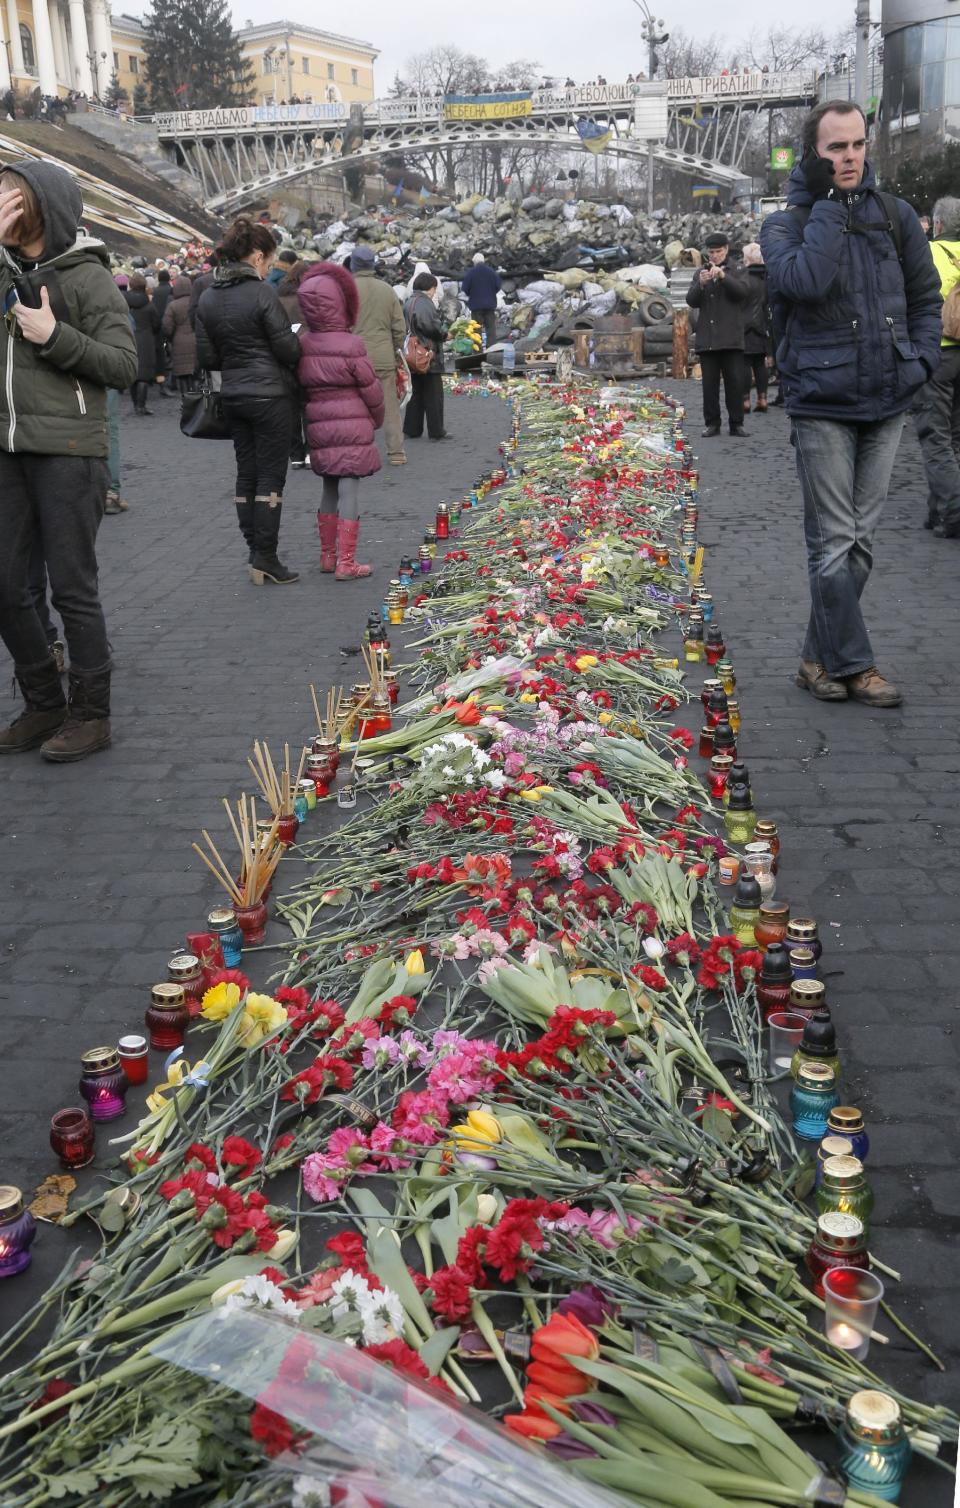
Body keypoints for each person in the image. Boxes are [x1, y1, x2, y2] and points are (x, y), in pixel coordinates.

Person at [761, 100, 941, 709]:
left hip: (888, 395)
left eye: (857, 145)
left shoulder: (897, 216)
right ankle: (856, 666)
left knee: (859, 542)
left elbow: (925, 295)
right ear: (813, 153)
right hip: (821, 400)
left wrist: (920, 360)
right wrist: (829, 208)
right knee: (835, 541)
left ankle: (816, 659)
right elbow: (806, 282)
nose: (850, 157)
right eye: (836, 148)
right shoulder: (786, 224)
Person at [0, 158, 137, 760]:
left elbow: (124, 365)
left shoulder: (86, 277)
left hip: (69, 452)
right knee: (6, 584)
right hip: (6, 448)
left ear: (41, 205)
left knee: (71, 589)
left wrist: (54, 337)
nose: (0, 198)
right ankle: (43, 703)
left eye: (9, 191)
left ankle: (92, 714)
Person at [195, 218, 302, 586]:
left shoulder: (208, 296)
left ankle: (253, 550)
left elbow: (207, 358)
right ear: (257, 256)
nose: (270, 267)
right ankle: (266, 557)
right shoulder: (261, 294)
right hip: (270, 396)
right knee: (272, 475)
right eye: (269, 260)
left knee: (247, 472)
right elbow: (287, 348)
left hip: (234, 396)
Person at [297, 261, 384, 580]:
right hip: (353, 423)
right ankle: (347, 562)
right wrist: (376, 419)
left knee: (328, 485)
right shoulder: (352, 345)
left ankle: (327, 556)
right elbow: (371, 389)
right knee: (349, 486)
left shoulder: (304, 344)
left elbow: (300, 387)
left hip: (319, 424)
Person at [912, 195, 960, 537]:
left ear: (938, 225)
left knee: (935, 437)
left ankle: (954, 512)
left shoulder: (927, 255)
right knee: (955, 438)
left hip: (938, 355)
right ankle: (937, 509)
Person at [686, 231, 748, 437]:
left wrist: (723, 277)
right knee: (709, 386)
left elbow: (742, 293)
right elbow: (691, 301)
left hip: (731, 338)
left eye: (718, 252)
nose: (714, 256)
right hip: (708, 339)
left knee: (734, 384)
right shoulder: (700, 272)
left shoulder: (737, 269)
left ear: (726, 250)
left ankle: (736, 423)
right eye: (711, 252)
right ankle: (712, 423)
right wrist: (701, 285)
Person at [350, 243, 406, 466]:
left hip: (354, 358)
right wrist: (394, 349)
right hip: (383, 356)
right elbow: (399, 327)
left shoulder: (346, 290)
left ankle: (359, 452)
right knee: (390, 406)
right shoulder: (387, 289)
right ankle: (396, 453)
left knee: (355, 407)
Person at [403, 272, 448, 442]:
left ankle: (412, 429)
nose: (434, 292)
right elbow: (431, 327)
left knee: (415, 393)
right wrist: (444, 335)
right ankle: (436, 430)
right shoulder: (425, 304)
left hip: (412, 354)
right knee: (433, 393)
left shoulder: (408, 302)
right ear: (429, 288)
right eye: (434, 289)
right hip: (427, 354)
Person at [738, 241, 772, 414]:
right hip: (762, 326)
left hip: (744, 327)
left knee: (745, 364)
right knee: (760, 364)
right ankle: (763, 398)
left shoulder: (743, 278)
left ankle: (745, 401)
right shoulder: (767, 277)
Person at [123, 271, 160, 414]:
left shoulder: (124, 303)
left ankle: (135, 405)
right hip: (146, 340)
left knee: (133, 374)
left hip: (129, 338)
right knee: (143, 376)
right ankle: (141, 405)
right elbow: (157, 324)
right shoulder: (149, 305)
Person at [161, 275, 198, 392]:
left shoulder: (172, 305)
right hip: (196, 340)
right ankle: (196, 397)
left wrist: (170, 338)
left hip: (178, 342)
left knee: (182, 374)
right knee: (195, 373)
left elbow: (167, 327)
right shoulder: (196, 302)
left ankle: (185, 398)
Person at [460, 251, 501, 349]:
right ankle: (492, 350)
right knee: (491, 329)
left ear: (474, 262)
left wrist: (472, 294)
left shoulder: (471, 273)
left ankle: (477, 352)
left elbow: (465, 288)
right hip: (490, 305)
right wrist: (491, 293)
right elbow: (498, 286)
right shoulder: (491, 272)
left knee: (476, 331)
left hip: (476, 306)